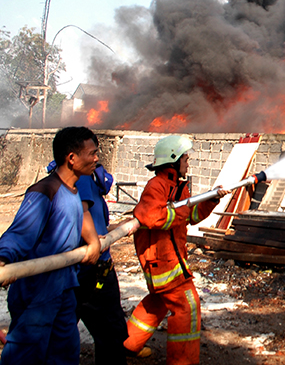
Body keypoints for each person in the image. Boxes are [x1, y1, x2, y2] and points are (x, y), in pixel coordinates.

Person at [0, 127, 102, 365]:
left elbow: (77, 222)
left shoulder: (73, 190)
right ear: (72, 158)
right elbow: (19, 234)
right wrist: (3, 259)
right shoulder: (45, 191)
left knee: (65, 353)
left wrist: (94, 242)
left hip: (64, 286)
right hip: (38, 291)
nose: (96, 158)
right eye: (92, 153)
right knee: (24, 355)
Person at [123, 135, 227, 365]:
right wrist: (179, 211)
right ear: (173, 159)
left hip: (170, 260)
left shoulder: (177, 187)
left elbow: (191, 216)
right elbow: (151, 216)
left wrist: (211, 199)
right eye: (185, 158)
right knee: (187, 306)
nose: (188, 163)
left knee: (158, 302)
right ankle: (182, 361)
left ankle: (129, 344)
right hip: (164, 263)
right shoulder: (157, 186)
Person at [73, 160, 140, 363]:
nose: (96, 159)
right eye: (92, 153)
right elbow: (83, 219)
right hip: (93, 271)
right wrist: (95, 242)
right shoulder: (83, 180)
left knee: (63, 328)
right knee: (110, 332)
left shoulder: (88, 182)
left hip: (89, 269)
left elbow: (96, 227)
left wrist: (116, 228)